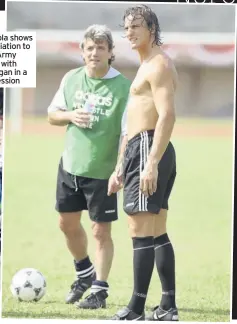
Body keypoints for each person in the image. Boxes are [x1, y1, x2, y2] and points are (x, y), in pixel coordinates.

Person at [47, 25, 131, 310]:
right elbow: (52, 115)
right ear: (83, 52)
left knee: (100, 232)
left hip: (102, 172)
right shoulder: (71, 78)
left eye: (101, 47)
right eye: (90, 48)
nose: (95, 53)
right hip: (70, 167)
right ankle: (84, 273)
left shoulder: (124, 87)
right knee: (66, 224)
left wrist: (119, 167)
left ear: (110, 52)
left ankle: (99, 290)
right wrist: (71, 115)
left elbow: (126, 133)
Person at [109, 5, 178, 321]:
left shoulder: (159, 64)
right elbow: (132, 121)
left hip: (150, 148)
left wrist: (150, 162)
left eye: (136, 25)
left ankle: (135, 309)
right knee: (157, 230)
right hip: (144, 148)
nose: (129, 32)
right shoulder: (146, 63)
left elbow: (167, 115)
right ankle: (167, 306)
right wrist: (120, 167)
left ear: (152, 27)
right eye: (125, 28)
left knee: (139, 230)